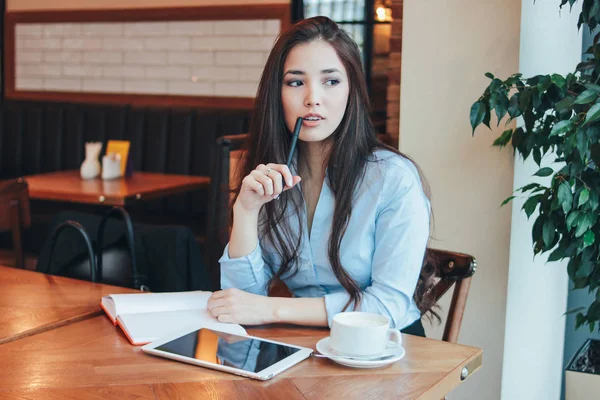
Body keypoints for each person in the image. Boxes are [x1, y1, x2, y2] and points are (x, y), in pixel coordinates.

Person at [207, 16, 432, 336]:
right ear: (278, 94)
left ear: (351, 90)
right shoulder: (270, 174)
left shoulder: (393, 178)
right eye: (296, 82)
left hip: (384, 346)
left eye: (331, 81)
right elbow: (243, 300)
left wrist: (271, 309)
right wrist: (245, 211)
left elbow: (387, 306)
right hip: (307, 344)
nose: (312, 97)